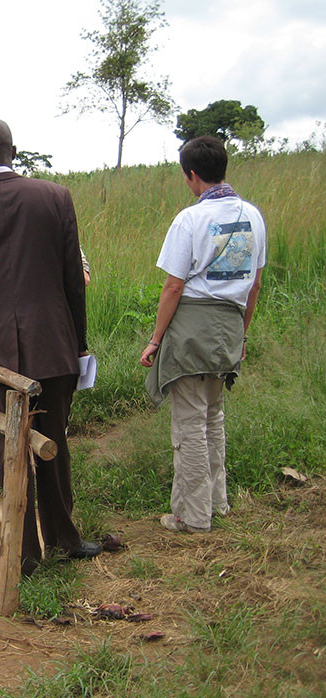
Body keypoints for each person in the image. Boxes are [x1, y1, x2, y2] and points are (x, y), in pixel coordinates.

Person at [0, 119, 99, 572]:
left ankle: (24, 553)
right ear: (14, 151)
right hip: (53, 344)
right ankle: (64, 539)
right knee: (55, 444)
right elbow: (73, 280)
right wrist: (79, 342)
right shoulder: (54, 197)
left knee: (11, 448)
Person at [141, 136, 265, 533]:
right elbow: (255, 285)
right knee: (214, 417)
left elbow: (173, 287)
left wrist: (156, 339)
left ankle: (191, 517)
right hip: (229, 325)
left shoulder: (190, 219)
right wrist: (241, 336)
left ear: (192, 176)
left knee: (190, 424)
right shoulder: (253, 216)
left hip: (192, 330)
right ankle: (217, 503)